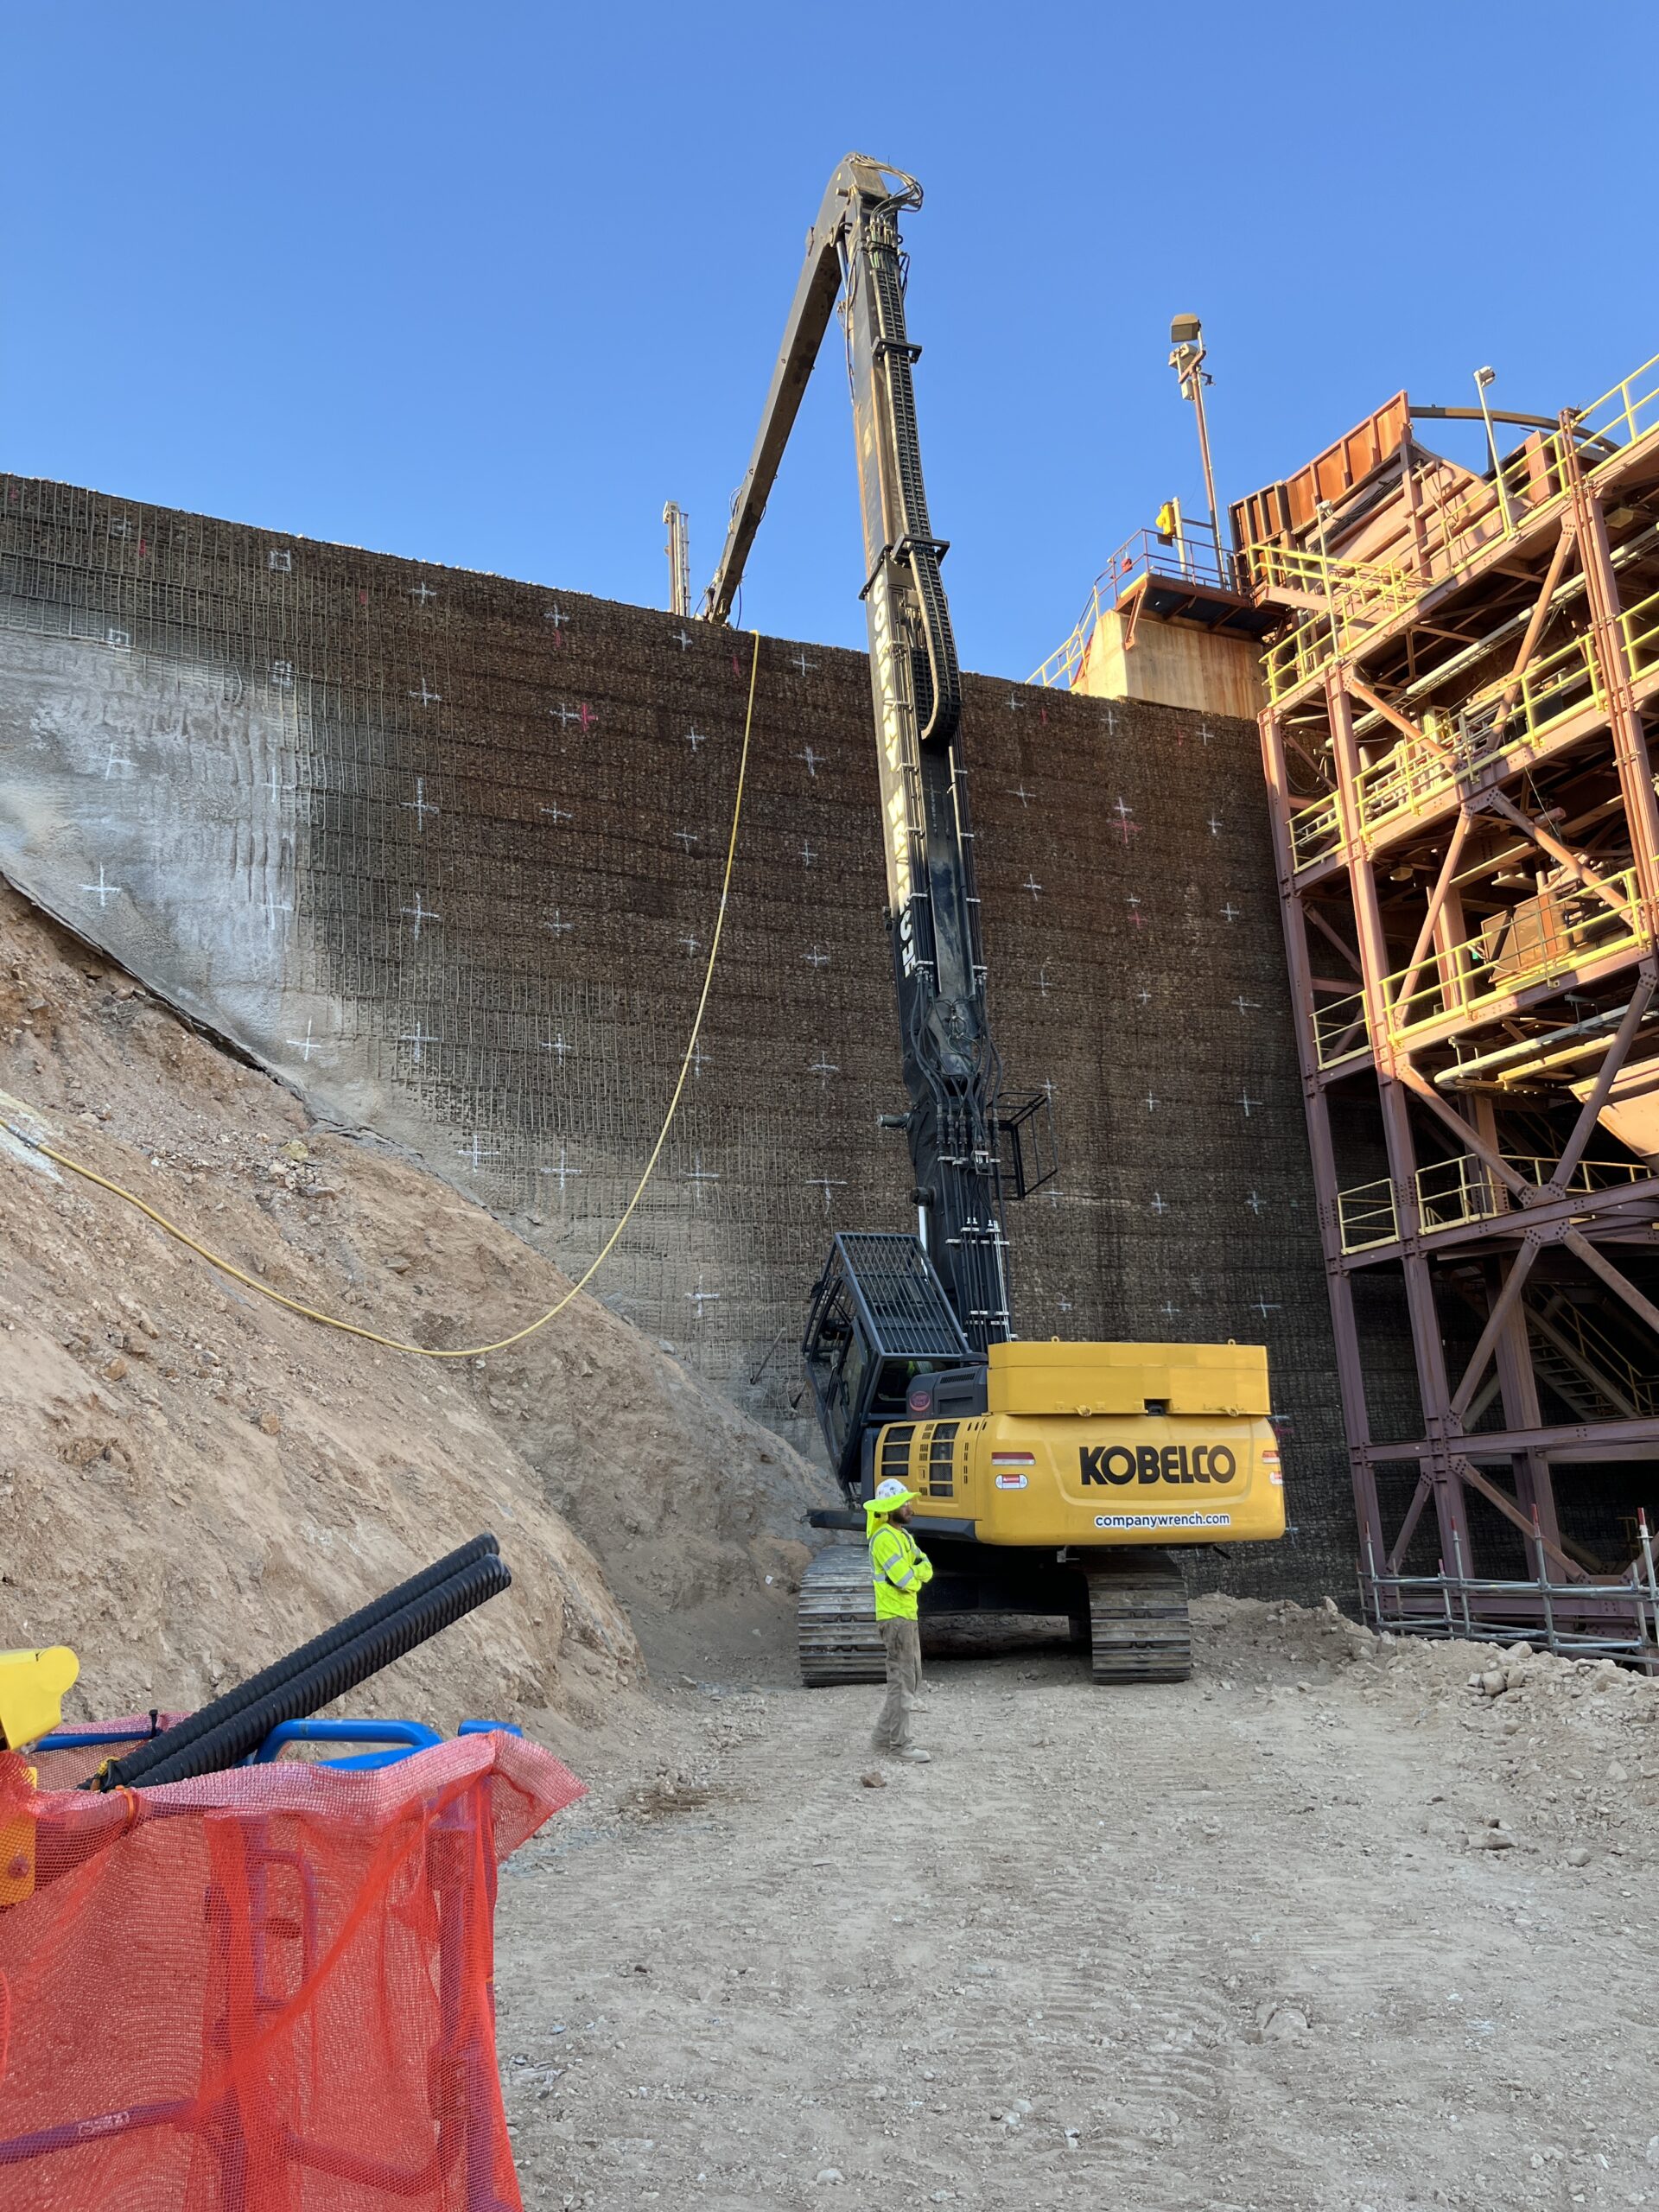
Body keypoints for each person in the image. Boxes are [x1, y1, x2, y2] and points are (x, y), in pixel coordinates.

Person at [866, 1476, 934, 1763]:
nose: (909, 1506)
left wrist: (918, 1573)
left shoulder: (904, 1537)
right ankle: (900, 1745)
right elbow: (907, 1579)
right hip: (895, 1617)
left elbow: (927, 1566)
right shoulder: (884, 1539)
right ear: (890, 1507)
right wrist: (917, 1574)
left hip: (906, 1616)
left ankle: (883, 1737)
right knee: (903, 1680)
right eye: (904, 1502)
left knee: (909, 1678)